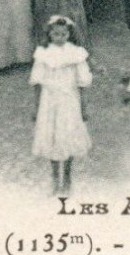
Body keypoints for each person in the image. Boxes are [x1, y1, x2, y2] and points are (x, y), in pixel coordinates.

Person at [30, 15, 92, 197]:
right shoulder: (43, 54)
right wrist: (35, 107)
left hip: (69, 101)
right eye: (56, 34)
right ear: (49, 34)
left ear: (68, 34)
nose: (60, 37)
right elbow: (37, 82)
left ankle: (67, 178)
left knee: (68, 136)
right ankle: (55, 179)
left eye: (63, 34)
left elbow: (82, 83)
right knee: (51, 138)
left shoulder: (76, 54)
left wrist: (83, 107)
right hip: (49, 102)